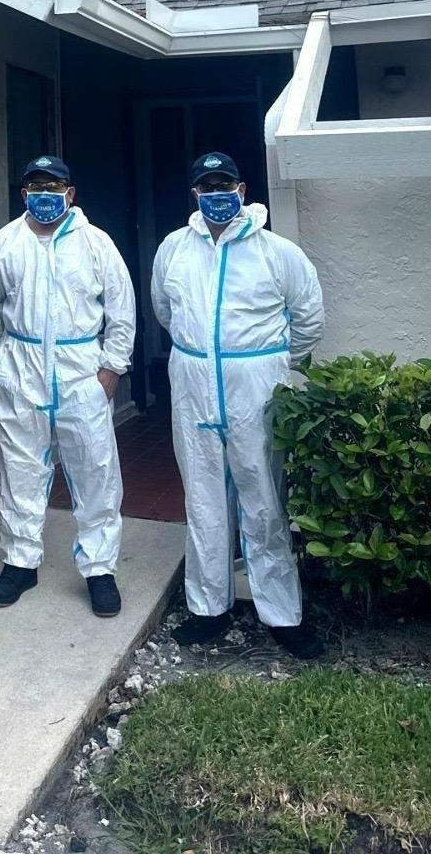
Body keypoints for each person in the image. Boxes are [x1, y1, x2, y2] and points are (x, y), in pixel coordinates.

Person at [150, 151, 325, 658]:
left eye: (224, 184)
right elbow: (166, 310)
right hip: (193, 384)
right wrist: (203, 355)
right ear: (194, 195)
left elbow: (308, 318)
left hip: (256, 388)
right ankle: (208, 609)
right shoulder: (173, 249)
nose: (217, 194)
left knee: (264, 496)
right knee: (203, 498)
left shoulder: (277, 252)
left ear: (243, 191)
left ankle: (283, 615)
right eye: (207, 187)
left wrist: (269, 364)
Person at [0, 157, 135, 618]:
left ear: (71, 193)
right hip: (19, 367)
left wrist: (111, 368)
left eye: (54, 186)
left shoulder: (96, 242)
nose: (45, 194)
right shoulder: (5, 242)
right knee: (19, 470)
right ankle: (20, 562)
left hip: (80, 369)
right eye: (36, 186)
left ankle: (100, 569)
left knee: (95, 470)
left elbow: (121, 308)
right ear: (23, 193)